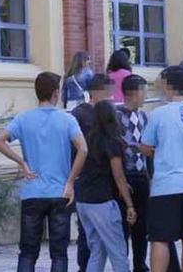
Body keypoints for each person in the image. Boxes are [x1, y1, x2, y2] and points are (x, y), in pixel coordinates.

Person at [0, 72, 88, 272]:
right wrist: (70, 182)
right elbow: (83, 149)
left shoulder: (23, 118)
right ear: (55, 93)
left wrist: (22, 163)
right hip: (60, 192)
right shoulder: (67, 119)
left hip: (32, 192)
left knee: (27, 252)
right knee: (59, 254)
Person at [140, 66, 183, 272]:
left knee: (160, 238)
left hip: (167, 184)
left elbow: (146, 146)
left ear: (169, 86)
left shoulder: (158, 114)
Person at [76, 100, 137, 272]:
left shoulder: (88, 139)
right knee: (118, 252)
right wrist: (130, 204)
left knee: (97, 251)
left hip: (83, 201)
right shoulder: (112, 141)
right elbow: (118, 176)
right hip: (101, 202)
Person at [72, 73, 114, 271]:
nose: (112, 96)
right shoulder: (79, 114)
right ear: (98, 92)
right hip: (85, 178)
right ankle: (84, 266)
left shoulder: (107, 113)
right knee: (86, 232)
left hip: (105, 179)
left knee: (102, 235)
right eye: (109, 92)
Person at [117, 75, 151, 272]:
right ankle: (123, 264)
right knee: (124, 224)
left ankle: (140, 264)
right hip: (125, 175)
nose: (145, 96)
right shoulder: (117, 115)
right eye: (143, 91)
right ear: (134, 93)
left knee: (142, 226)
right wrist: (138, 148)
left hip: (141, 175)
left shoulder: (144, 116)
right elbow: (119, 144)